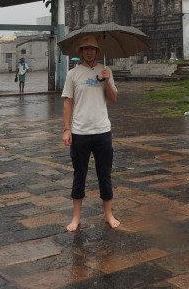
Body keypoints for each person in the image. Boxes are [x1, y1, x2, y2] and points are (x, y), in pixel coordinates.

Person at [62, 35, 120, 231]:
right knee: (80, 175)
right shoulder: (73, 74)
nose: (89, 52)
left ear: (97, 51)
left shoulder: (106, 71)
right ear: (81, 52)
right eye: (86, 48)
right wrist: (67, 129)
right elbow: (67, 102)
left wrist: (107, 81)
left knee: (105, 175)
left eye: (93, 49)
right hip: (80, 131)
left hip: (102, 130)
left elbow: (113, 99)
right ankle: (76, 217)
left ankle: (108, 214)